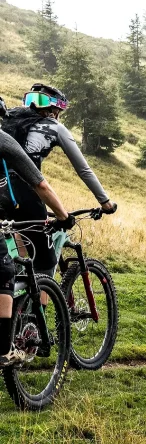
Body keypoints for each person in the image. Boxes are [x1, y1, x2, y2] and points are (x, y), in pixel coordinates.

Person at [0, 84, 117, 278]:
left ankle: (19, 299)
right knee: (45, 264)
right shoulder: (55, 127)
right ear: (55, 109)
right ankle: (41, 306)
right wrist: (106, 203)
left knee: (21, 252)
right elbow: (84, 170)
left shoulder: (10, 119)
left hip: (3, 192)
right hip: (26, 192)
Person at [0, 125, 73, 365]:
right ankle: (4, 349)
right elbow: (41, 185)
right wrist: (64, 217)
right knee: (5, 272)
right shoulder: (4, 140)